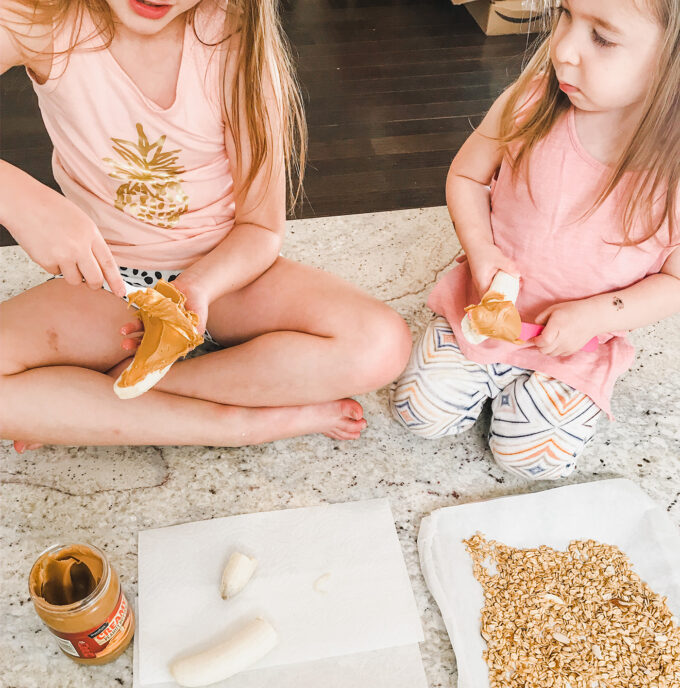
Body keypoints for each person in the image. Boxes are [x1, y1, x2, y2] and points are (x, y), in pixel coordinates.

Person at [0, 0, 412, 451]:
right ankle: (236, 426)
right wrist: (16, 195)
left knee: (380, 345)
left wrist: (199, 288)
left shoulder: (235, 41)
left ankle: (106, 397)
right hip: (110, 279)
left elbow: (261, 229)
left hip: (224, 276)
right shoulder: (42, 21)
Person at [392, 0, 679, 480]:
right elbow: (466, 176)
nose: (562, 49)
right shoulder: (530, 100)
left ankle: (530, 395)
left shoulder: (671, 175)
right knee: (419, 414)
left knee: (530, 461)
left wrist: (592, 315)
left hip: (577, 345)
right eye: (565, 14)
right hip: (480, 309)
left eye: (602, 38)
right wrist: (481, 252)